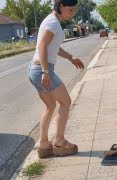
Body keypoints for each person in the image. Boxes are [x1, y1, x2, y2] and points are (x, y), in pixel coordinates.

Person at [27, 0, 84, 158]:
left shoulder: (52, 20)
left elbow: (54, 47)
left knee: (50, 106)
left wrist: (70, 57)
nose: (73, 13)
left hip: (35, 69)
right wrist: (46, 71)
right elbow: (43, 46)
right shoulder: (53, 23)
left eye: (74, 10)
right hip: (41, 70)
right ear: (60, 7)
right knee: (66, 102)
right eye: (71, 10)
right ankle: (59, 140)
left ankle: (44, 145)